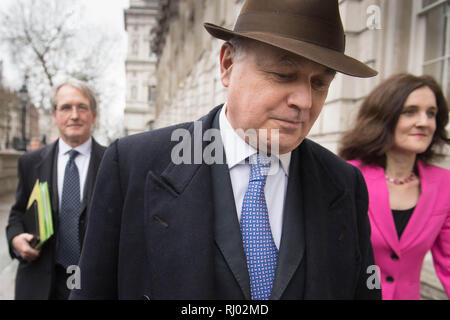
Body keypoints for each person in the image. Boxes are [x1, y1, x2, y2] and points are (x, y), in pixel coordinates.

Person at [71, 0, 381, 300]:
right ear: (228, 65)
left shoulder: (344, 184)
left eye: (319, 84)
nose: (304, 101)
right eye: (283, 75)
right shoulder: (133, 165)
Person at [339, 74, 450, 300]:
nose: (424, 122)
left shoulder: (445, 184)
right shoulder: (345, 177)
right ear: (384, 118)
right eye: (410, 111)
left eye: (431, 113)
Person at [6, 79, 106, 299]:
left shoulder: (112, 163)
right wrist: (15, 239)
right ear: (54, 115)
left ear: (94, 115)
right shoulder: (30, 162)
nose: (74, 115)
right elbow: (18, 213)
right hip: (40, 283)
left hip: (94, 284)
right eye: (65, 107)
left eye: (82, 107)